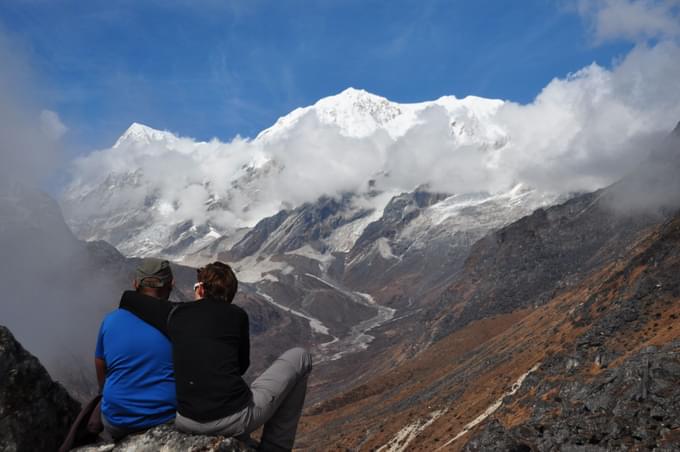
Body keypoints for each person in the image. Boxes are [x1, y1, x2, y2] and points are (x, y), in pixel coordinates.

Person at [119, 261, 312, 452]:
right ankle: (274, 448)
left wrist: (130, 293)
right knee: (301, 357)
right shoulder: (237, 316)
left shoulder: (176, 314)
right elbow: (241, 366)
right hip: (233, 420)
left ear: (201, 290)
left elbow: (136, 301)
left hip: (187, 421)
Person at [94, 258, 177, 440]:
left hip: (115, 420)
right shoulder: (177, 322)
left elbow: (100, 362)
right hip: (165, 418)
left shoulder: (110, 321)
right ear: (171, 285)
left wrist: (104, 391)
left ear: (135, 284)